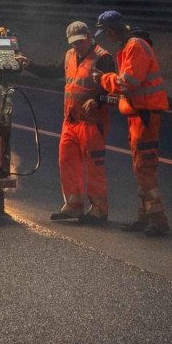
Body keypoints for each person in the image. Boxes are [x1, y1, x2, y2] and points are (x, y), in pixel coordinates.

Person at [94, 10, 169, 235]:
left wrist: (103, 79)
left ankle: (157, 219)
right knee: (140, 166)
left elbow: (129, 83)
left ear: (110, 30)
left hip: (145, 115)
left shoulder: (135, 46)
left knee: (144, 166)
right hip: (140, 113)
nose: (105, 38)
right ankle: (144, 216)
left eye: (104, 33)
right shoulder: (131, 44)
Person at [51, 20, 110, 223]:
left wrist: (96, 100)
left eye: (80, 41)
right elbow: (54, 71)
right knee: (66, 161)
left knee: (94, 167)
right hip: (70, 121)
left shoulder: (103, 57)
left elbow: (110, 86)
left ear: (89, 36)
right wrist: (28, 65)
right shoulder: (69, 55)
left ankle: (99, 209)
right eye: (73, 42)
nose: (77, 46)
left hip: (92, 123)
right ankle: (74, 205)